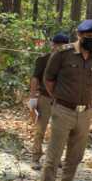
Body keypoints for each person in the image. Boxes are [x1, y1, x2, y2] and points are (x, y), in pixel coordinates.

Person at [39, 19, 92, 181]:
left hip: (85, 113)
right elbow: (48, 79)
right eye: (88, 35)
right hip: (63, 110)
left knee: (75, 157)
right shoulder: (63, 54)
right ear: (79, 35)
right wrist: (59, 99)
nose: (91, 39)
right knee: (53, 157)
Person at [29, 32, 70, 169]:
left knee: (60, 131)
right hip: (45, 98)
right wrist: (32, 97)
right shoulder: (43, 59)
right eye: (57, 45)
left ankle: (55, 158)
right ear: (52, 45)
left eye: (62, 45)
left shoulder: (69, 62)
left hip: (62, 101)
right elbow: (35, 78)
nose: (59, 47)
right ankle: (35, 157)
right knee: (40, 129)